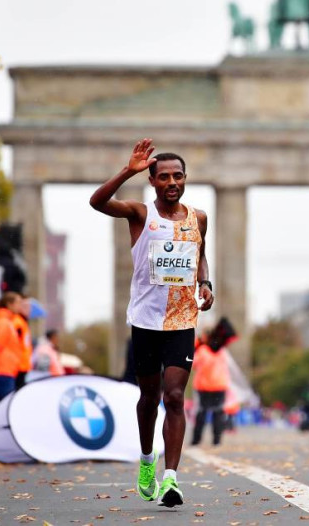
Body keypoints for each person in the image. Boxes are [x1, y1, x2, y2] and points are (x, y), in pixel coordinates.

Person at [90, 138, 214, 507]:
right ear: (153, 181)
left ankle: (171, 479)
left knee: (175, 397)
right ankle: (147, 461)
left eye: (178, 176)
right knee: (150, 398)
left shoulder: (199, 218)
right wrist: (128, 170)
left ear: (186, 178)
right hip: (145, 320)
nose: (172, 182)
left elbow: (200, 256)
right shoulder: (140, 214)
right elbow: (97, 203)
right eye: (164, 177)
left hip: (181, 320)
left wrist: (205, 283)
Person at [190, 324, 231, 447]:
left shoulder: (202, 351)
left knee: (202, 411)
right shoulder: (221, 350)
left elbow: (194, 364)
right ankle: (217, 439)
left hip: (204, 386)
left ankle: (196, 439)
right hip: (220, 385)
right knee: (218, 412)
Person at [0, 293, 22, 406]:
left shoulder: (7, 322)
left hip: (6, 372)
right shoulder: (4, 323)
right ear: (9, 304)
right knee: (3, 408)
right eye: (18, 303)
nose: (20, 306)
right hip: (2, 373)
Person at [12, 295, 32, 389]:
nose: (28, 309)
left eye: (29, 307)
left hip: (23, 366)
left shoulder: (23, 323)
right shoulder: (17, 323)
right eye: (25, 306)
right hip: (18, 366)